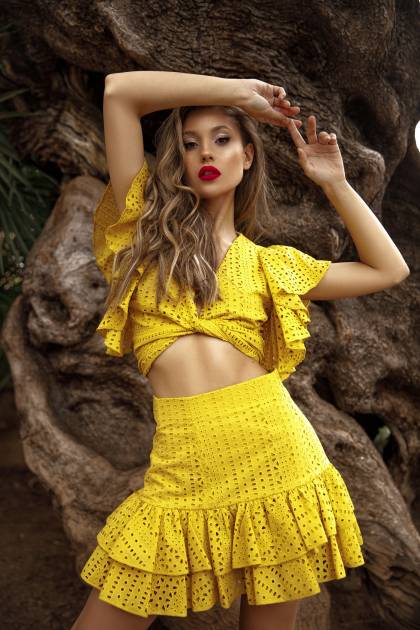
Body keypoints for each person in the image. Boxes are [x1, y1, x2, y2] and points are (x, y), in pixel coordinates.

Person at [71, 72, 410, 630]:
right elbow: (119, 93)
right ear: (178, 161)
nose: (206, 152)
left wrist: (335, 184)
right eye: (191, 143)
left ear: (248, 156)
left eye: (223, 139)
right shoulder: (141, 237)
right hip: (182, 471)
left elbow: (388, 269)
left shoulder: (270, 265)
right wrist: (235, 94)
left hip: (280, 462)